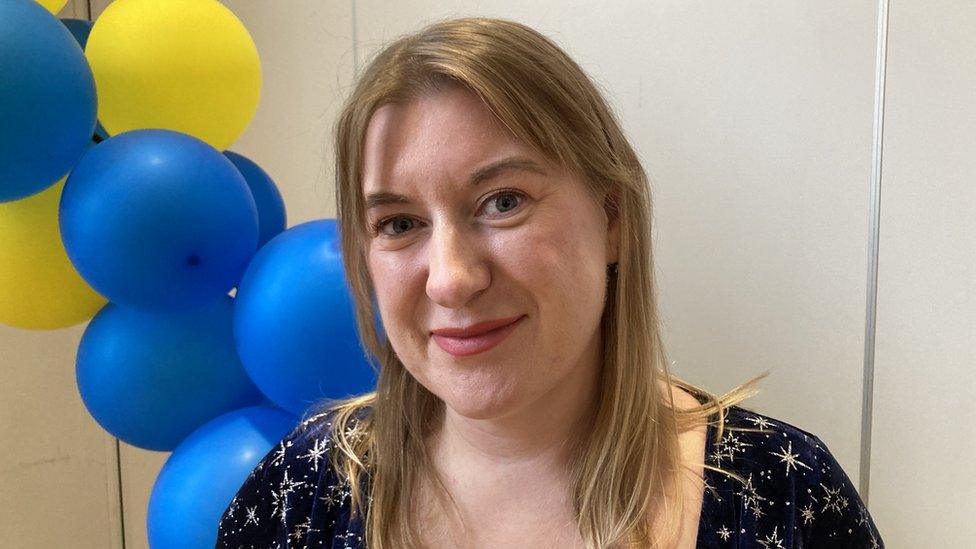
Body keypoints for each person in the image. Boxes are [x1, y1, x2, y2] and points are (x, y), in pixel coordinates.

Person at [216, 16, 884, 548]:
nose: (451, 280)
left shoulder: (780, 494)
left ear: (612, 217)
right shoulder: (300, 493)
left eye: (503, 201)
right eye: (399, 222)